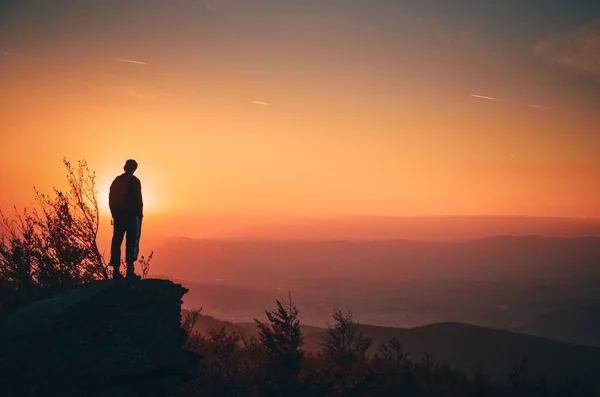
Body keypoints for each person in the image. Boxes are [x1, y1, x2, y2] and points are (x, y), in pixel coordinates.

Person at [108, 159, 143, 280]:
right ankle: (130, 271)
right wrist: (139, 215)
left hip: (118, 216)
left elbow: (111, 198)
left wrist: (114, 214)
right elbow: (138, 200)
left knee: (117, 242)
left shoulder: (117, 181)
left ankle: (116, 271)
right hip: (132, 216)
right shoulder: (134, 181)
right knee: (132, 242)